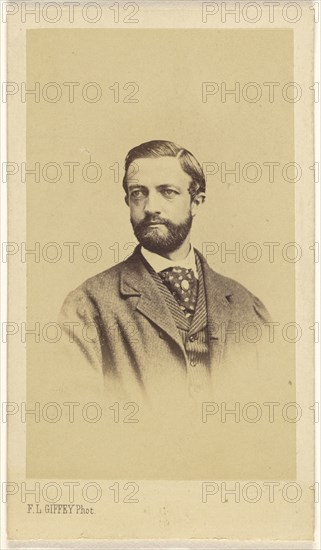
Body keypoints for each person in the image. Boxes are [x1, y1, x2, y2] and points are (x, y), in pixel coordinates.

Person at [59, 140, 271, 402]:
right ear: (128, 201)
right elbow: (77, 427)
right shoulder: (88, 306)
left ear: (196, 203)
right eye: (138, 193)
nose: (150, 207)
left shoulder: (247, 306)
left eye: (167, 192)